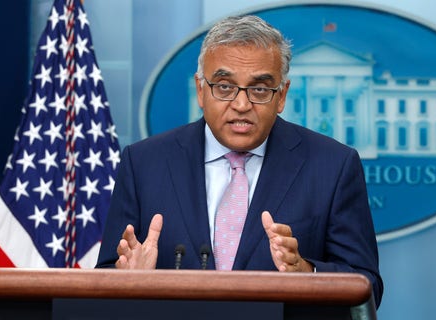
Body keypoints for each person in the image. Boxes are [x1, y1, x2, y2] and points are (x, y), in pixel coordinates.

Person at [96, 15, 384, 308]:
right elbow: (102, 278)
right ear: (200, 89)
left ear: (281, 95)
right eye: (224, 86)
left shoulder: (333, 166)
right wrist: (129, 281)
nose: (242, 104)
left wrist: (306, 273)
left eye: (259, 89)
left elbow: (367, 286)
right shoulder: (144, 162)